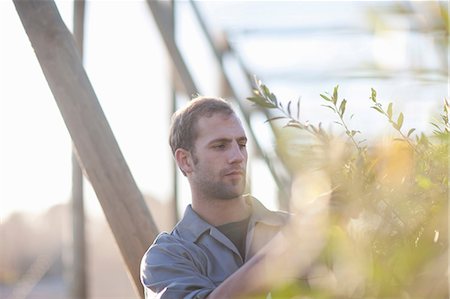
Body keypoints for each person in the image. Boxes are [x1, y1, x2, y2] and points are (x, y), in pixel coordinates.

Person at [140, 96, 290, 299]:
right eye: (220, 146)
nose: (237, 156)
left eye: (242, 144)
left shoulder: (294, 226)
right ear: (185, 161)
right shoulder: (166, 257)